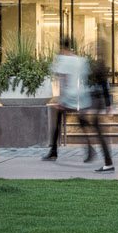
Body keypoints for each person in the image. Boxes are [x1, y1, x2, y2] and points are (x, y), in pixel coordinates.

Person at [43, 36, 93, 164]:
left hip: (69, 95)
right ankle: (89, 148)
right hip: (81, 94)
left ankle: (53, 151)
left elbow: (63, 80)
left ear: (61, 47)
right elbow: (85, 78)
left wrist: (60, 99)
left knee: (58, 123)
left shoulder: (62, 60)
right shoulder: (80, 60)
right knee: (81, 122)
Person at [80, 41, 115, 172]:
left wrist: (108, 106)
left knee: (98, 132)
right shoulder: (99, 63)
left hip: (96, 101)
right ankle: (95, 153)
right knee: (90, 125)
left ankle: (107, 161)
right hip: (95, 100)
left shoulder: (100, 64)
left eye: (97, 47)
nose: (95, 49)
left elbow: (104, 86)